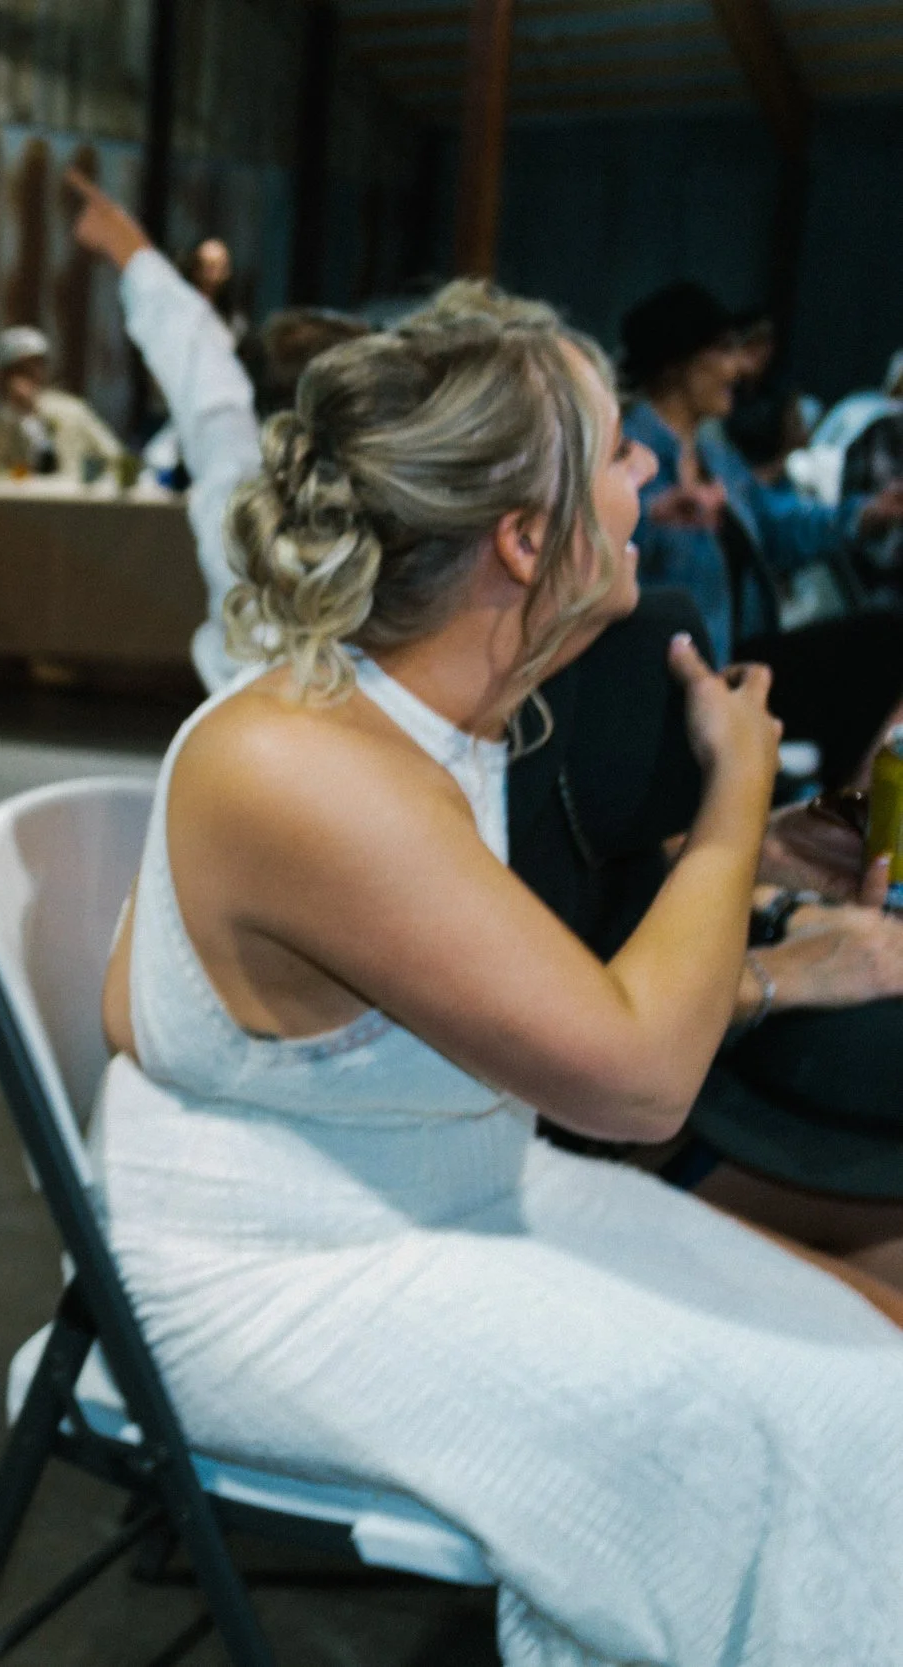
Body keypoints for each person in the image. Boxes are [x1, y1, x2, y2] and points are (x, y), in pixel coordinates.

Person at [95, 285, 903, 1664]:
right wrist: (733, 797)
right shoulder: (302, 759)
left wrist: (753, 852)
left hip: (451, 1197)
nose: (645, 473)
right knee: (847, 1408)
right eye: (614, 450)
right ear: (526, 539)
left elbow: (157, 997)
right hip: (285, 1284)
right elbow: (641, 1082)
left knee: (874, 1337)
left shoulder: (435, 722)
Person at [511, 587, 903, 1292]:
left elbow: (590, 876)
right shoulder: (406, 767)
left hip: (684, 1072)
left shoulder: (608, 640)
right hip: (615, 1128)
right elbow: (592, 1048)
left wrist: (754, 856)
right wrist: (775, 973)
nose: (635, 553)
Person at [63, 171, 365, 692]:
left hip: (243, 706)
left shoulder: (237, 461)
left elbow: (190, 347)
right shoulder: (393, 503)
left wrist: (123, 241)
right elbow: (192, 343)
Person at [621, 281, 903, 784]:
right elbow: (589, 533)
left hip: (738, 653)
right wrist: (650, 517)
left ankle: (843, 804)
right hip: (672, 668)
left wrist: (868, 514)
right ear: (678, 363)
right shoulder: (627, 448)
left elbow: (775, 523)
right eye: (723, 351)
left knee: (886, 642)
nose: (738, 368)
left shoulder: (715, 457)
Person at [0, 324, 125, 477]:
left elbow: (114, 455)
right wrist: (10, 416)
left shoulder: (71, 410)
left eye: (38, 365)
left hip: (65, 490)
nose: (32, 373)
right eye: (21, 369)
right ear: (2, 375)